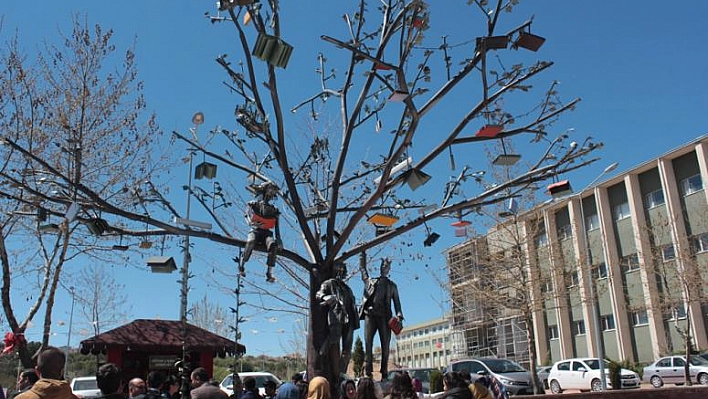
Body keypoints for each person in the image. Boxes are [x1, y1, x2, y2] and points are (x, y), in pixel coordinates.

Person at [359, 258, 404, 378]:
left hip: (385, 318)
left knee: (385, 345)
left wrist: (399, 315)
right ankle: (368, 372)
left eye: (386, 266)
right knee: (368, 344)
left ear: (389, 269)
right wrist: (362, 255)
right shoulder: (372, 281)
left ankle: (384, 372)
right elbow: (363, 271)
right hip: (371, 315)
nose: (384, 267)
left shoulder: (392, 286)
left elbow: (397, 303)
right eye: (382, 265)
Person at [315, 262, 359, 374]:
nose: (341, 272)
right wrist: (326, 297)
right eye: (339, 270)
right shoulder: (329, 283)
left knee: (347, 350)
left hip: (350, 320)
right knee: (333, 340)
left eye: (343, 270)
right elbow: (319, 294)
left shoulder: (348, 288)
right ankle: (320, 358)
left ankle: (340, 373)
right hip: (337, 316)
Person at [238, 181, 282, 282]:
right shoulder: (254, 204)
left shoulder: (274, 210)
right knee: (250, 242)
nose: (271, 192)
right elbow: (246, 215)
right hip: (255, 230)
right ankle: (242, 264)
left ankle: (269, 272)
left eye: (273, 190)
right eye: (270, 189)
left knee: (273, 245)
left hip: (267, 233)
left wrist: (279, 239)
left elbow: (276, 225)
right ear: (265, 189)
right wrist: (251, 223)